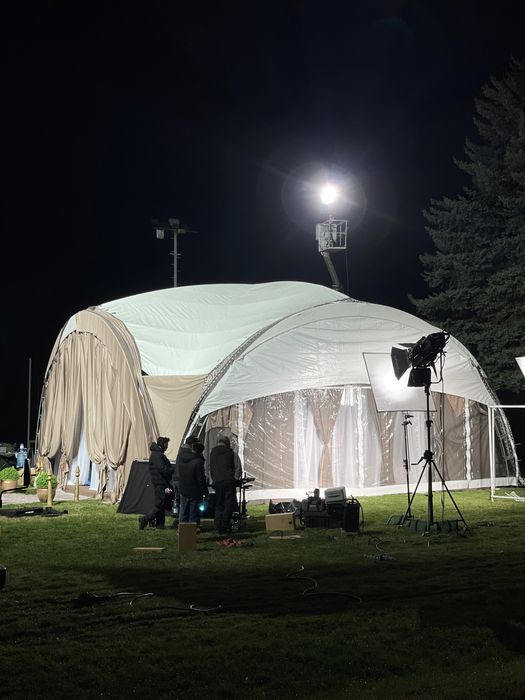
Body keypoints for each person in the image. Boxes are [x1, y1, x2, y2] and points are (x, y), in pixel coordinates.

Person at [209, 435, 241, 535]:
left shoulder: (212, 453)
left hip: (217, 482)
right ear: (227, 443)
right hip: (228, 482)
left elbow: (210, 468)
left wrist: (214, 479)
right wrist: (235, 478)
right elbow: (238, 467)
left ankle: (217, 526)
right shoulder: (231, 453)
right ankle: (224, 525)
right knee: (228, 505)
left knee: (219, 505)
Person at [139, 436, 173, 530]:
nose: (167, 447)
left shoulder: (157, 454)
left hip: (160, 482)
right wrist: (171, 470)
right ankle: (145, 519)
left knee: (161, 503)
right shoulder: (158, 455)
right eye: (166, 444)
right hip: (160, 482)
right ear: (163, 444)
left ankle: (160, 524)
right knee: (159, 504)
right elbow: (162, 469)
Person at [178, 442, 208, 527]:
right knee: (193, 513)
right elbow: (200, 479)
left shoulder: (182, 458)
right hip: (194, 491)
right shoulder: (198, 461)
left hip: (183, 489)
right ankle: (191, 532)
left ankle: (182, 531)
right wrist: (205, 492)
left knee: (183, 512)